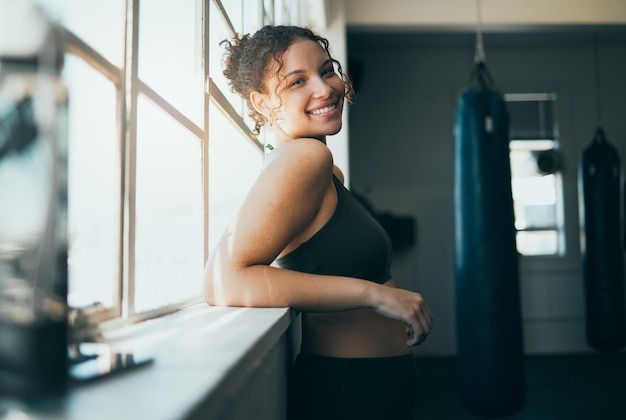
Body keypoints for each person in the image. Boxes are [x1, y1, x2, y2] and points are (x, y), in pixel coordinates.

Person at [203, 25, 433, 420]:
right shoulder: (305, 159)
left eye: (327, 71)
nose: (325, 88)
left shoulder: (324, 172)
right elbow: (225, 281)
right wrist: (374, 294)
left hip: (372, 382)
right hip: (350, 390)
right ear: (261, 102)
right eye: (297, 81)